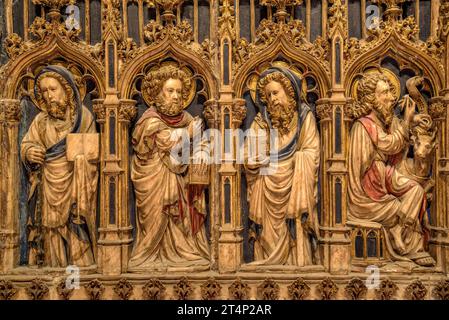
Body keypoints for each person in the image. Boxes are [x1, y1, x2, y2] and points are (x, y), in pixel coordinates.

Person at [347, 71, 435, 267]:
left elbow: (398, 133)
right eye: (384, 93)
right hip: (368, 192)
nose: (390, 98)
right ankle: (409, 243)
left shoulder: (384, 119)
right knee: (407, 199)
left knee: (416, 191)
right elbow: (391, 143)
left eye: (390, 92)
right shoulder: (365, 125)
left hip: (383, 178)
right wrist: (406, 121)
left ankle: (399, 231)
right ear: (372, 99)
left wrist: (411, 119)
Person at [128, 65, 210, 270]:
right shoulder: (149, 121)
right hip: (154, 181)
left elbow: (203, 141)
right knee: (160, 214)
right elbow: (167, 142)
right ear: (157, 93)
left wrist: (201, 152)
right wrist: (189, 134)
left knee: (182, 216)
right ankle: (149, 255)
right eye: (170, 91)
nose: (176, 96)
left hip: (183, 182)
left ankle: (187, 251)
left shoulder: (186, 120)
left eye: (179, 92)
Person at [21, 65, 98, 268]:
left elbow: (92, 154)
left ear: (67, 89)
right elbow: (28, 143)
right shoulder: (40, 121)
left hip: (75, 184)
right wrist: (29, 152)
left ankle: (80, 272)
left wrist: (81, 162)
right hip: (48, 184)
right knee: (51, 229)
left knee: (75, 229)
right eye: (44, 91)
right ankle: (55, 269)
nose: (49, 96)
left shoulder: (84, 118)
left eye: (53, 89)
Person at [244, 67, 321, 266]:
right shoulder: (262, 122)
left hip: (295, 186)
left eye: (276, 93)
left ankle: (298, 264)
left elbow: (312, 151)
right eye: (268, 95)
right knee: (267, 236)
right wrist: (254, 160)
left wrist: (298, 160)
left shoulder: (305, 119)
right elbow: (248, 154)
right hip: (267, 190)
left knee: (295, 226)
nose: (272, 99)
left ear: (288, 92)